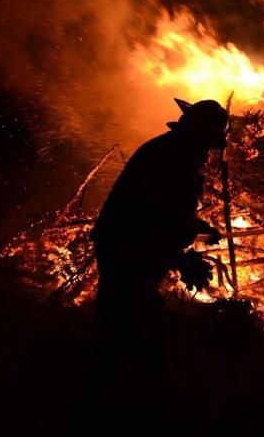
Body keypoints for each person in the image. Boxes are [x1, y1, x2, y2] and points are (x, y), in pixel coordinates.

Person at [90, 98, 227, 353]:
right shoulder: (177, 160)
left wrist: (198, 227)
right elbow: (154, 220)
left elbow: (168, 209)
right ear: (200, 136)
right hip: (126, 246)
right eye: (208, 143)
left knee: (124, 320)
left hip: (123, 241)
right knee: (133, 327)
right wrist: (183, 259)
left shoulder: (170, 149)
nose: (209, 152)